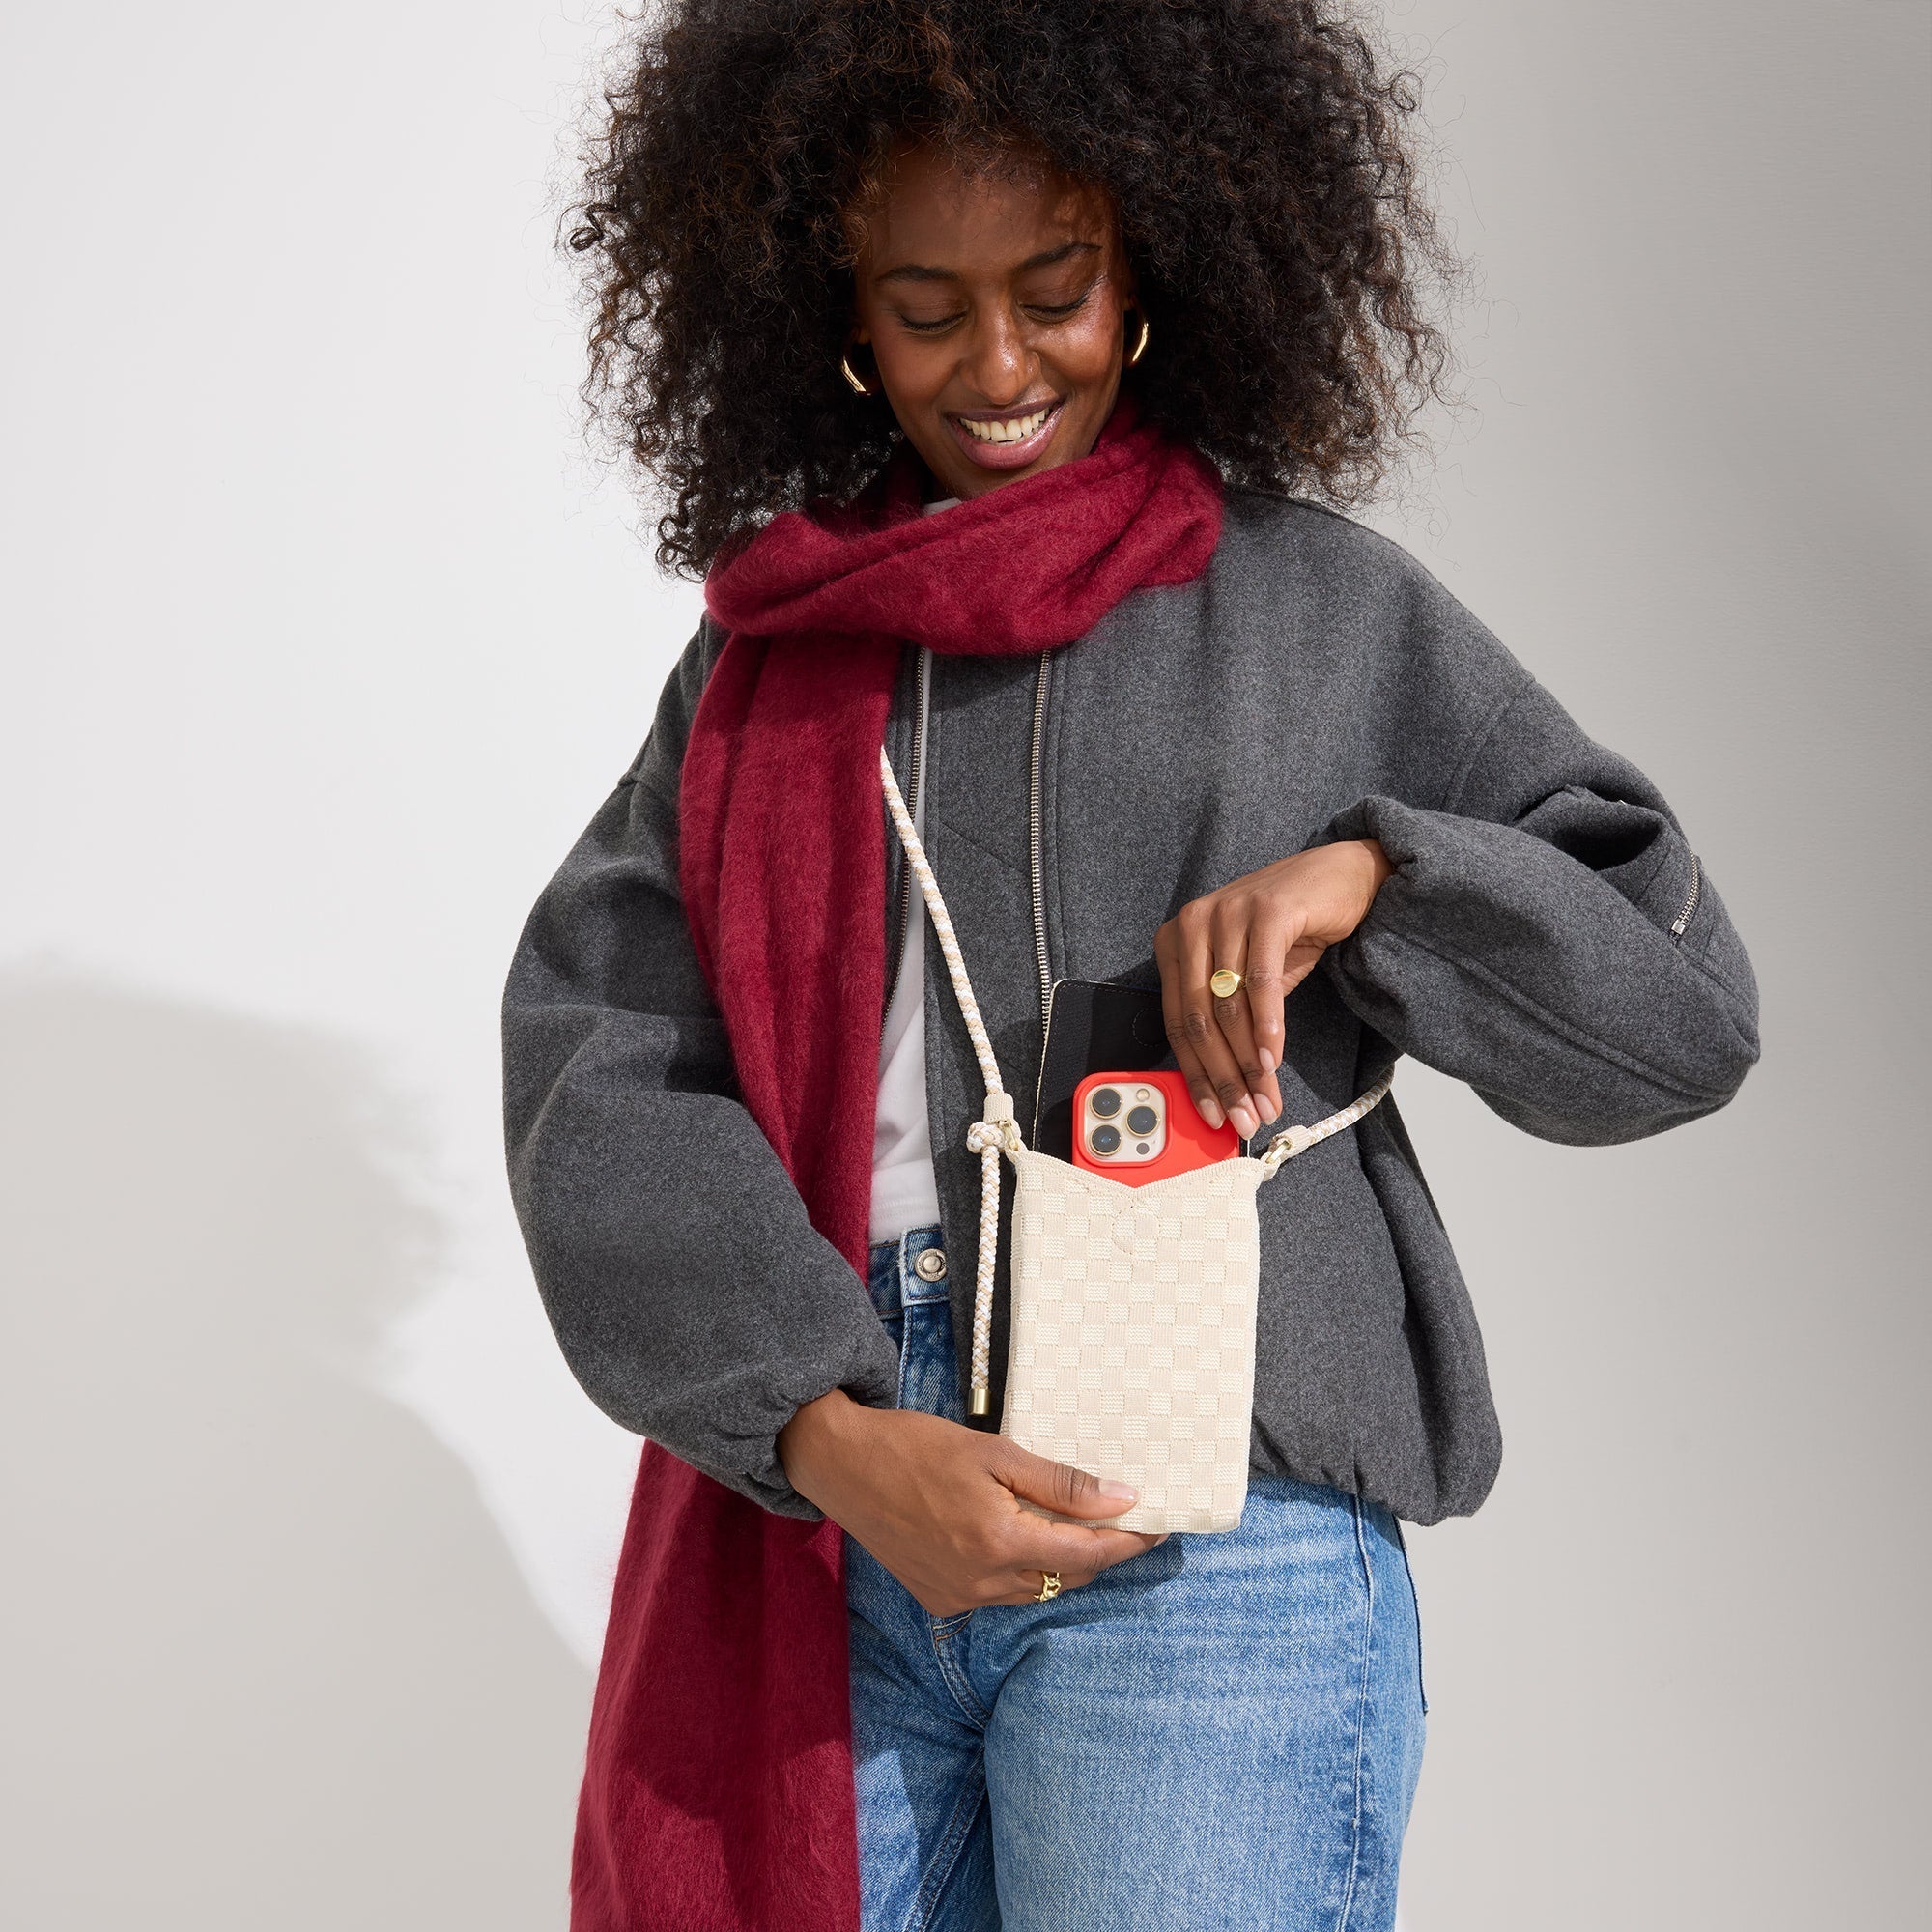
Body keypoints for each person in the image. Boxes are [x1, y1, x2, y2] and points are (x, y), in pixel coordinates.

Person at [502, 4, 1762, 1927]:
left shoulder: (1318, 611)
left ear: (1154, 262)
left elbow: (1678, 1015)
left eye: (1056, 286)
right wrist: (831, 1432)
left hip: (1220, 1538)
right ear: (836, 313)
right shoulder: (772, 667)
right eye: (925, 306)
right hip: (845, 1521)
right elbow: (599, 1075)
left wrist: (1369, 878)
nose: (999, 364)